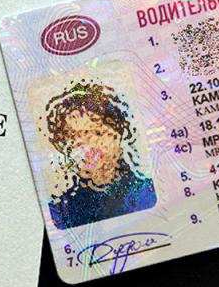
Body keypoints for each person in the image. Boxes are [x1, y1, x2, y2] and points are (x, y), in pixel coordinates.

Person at [45, 80, 156, 229]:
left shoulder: (146, 191)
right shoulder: (62, 211)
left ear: (118, 135)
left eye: (98, 133)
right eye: (75, 138)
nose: (89, 146)